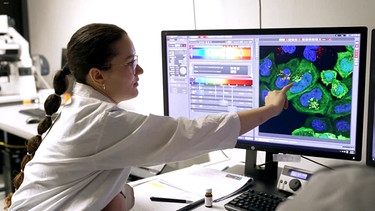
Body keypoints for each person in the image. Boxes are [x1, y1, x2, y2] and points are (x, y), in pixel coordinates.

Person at [5, 23, 293, 210]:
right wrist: (270, 109)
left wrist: (118, 197)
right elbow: (191, 132)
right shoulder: (100, 121)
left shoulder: (81, 108)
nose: (139, 72)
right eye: (131, 63)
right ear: (97, 76)